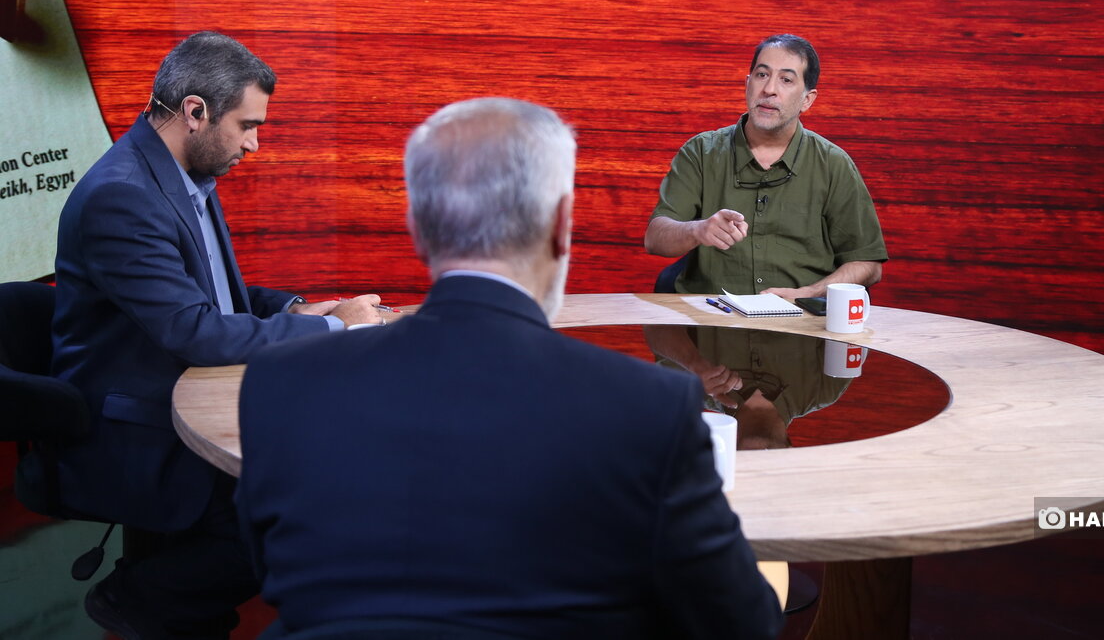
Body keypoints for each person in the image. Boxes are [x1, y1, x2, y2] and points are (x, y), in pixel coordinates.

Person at [236, 98, 784, 639]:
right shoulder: (651, 410)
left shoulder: (279, 383)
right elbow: (740, 623)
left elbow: (271, 570)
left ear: (417, 227)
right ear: (561, 225)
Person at [51, 31, 386, 639]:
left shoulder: (180, 175)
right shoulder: (122, 197)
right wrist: (336, 328)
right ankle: (138, 598)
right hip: (138, 429)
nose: (254, 144)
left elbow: (210, 297)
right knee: (298, 510)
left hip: (187, 396)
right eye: (247, 126)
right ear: (195, 111)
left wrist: (300, 310)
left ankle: (180, 606)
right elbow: (195, 331)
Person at [646, 33, 887, 299]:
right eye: (762, 75)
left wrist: (807, 294)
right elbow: (655, 238)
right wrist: (698, 230)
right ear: (747, 84)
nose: (769, 89)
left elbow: (868, 263)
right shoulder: (701, 152)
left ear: (807, 99)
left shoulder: (833, 164)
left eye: (786, 80)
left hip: (800, 318)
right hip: (711, 315)